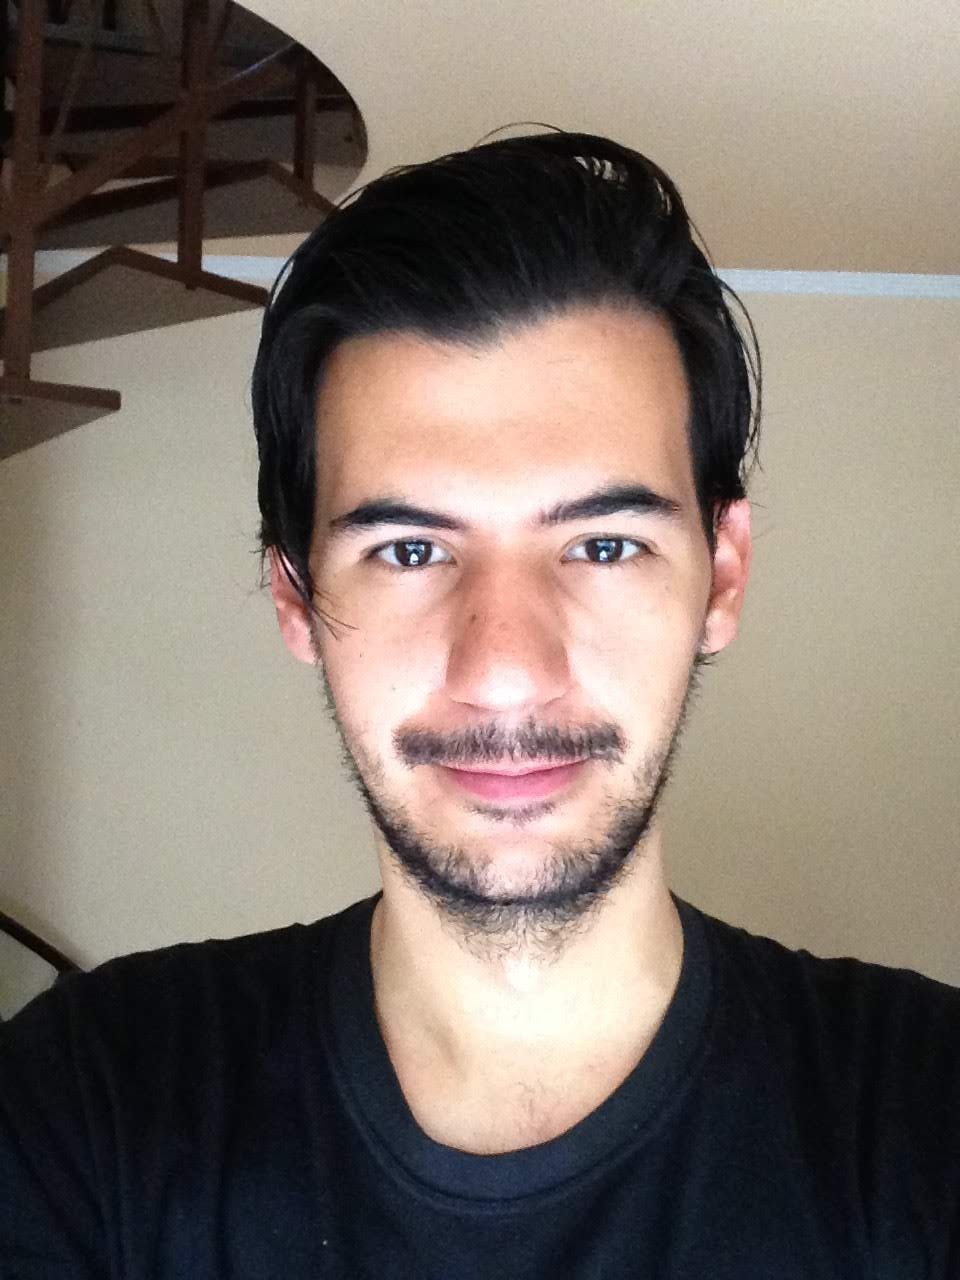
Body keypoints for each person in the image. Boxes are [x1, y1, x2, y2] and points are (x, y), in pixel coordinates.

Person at [1, 131, 957, 1278]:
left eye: (603, 544)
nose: (505, 668)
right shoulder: (85, 1105)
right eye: (410, 549)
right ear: (296, 595)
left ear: (722, 575)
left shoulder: (928, 1113)